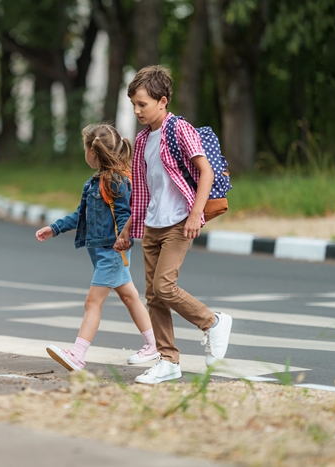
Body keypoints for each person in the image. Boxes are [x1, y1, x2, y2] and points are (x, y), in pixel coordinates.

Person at [115, 65, 232, 384]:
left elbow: (205, 172)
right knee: (153, 295)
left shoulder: (179, 129)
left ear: (163, 101)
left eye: (143, 104)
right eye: (134, 105)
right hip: (153, 224)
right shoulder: (141, 141)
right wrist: (128, 228)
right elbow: (142, 189)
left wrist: (196, 214)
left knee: (165, 286)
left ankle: (212, 322)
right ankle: (168, 360)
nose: (137, 110)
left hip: (180, 221)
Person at [35, 123, 159, 372]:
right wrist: (55, 228)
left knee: (92, 303)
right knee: (130, 296)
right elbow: (80, 216)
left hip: (111, 252)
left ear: (92, 152)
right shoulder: (93, 183)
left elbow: (126, 214)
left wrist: (124, 240)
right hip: (105, 252)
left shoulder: (117, 182)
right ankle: (154, 345)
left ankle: (78, 355)